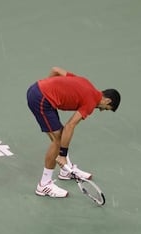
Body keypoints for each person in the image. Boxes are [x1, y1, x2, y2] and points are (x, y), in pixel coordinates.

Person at [26, 67, 121, 198]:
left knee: (59, 136)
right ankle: (44, 185)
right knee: (57, 141)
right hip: (41, 99)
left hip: (37, 89)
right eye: (107, 108)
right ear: (107, 101)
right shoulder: (91, 102)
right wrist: (62, 155)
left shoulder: (86, 83)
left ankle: (65, 171)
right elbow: (70, 125)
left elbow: (56, 70)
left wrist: (48, 86)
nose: (102, 110)